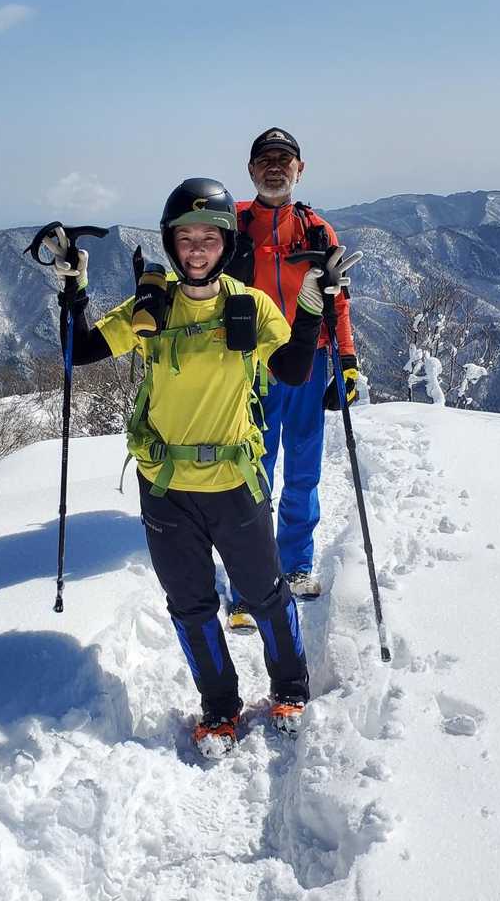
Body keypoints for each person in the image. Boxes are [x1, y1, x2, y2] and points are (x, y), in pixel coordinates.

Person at [40, 177, 354, 756]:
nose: (197, 249)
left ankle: (290, 687)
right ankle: (219, 707)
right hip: (166, 488)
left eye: (210, 237)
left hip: (234, 481)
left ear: (226, 243)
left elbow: (291, 370)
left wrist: (312, 305)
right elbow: (79, 353)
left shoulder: (250, 305)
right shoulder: (151, 308)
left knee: (265, 595)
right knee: (190, 606)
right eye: (186, 238)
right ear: (171, 243)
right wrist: (74, 289)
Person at [225, 127, 359, 629]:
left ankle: (296, 564)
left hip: (309, 358)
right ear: (251, 170)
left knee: (303, 470)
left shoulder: (318, 232)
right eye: (266, 160)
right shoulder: (234, 225)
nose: (275, 167)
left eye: (285, 160)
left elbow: (337, 302)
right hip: (251, 365)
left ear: (300, 169)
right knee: (251, 472)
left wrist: (347, 360)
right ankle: (250, 581)